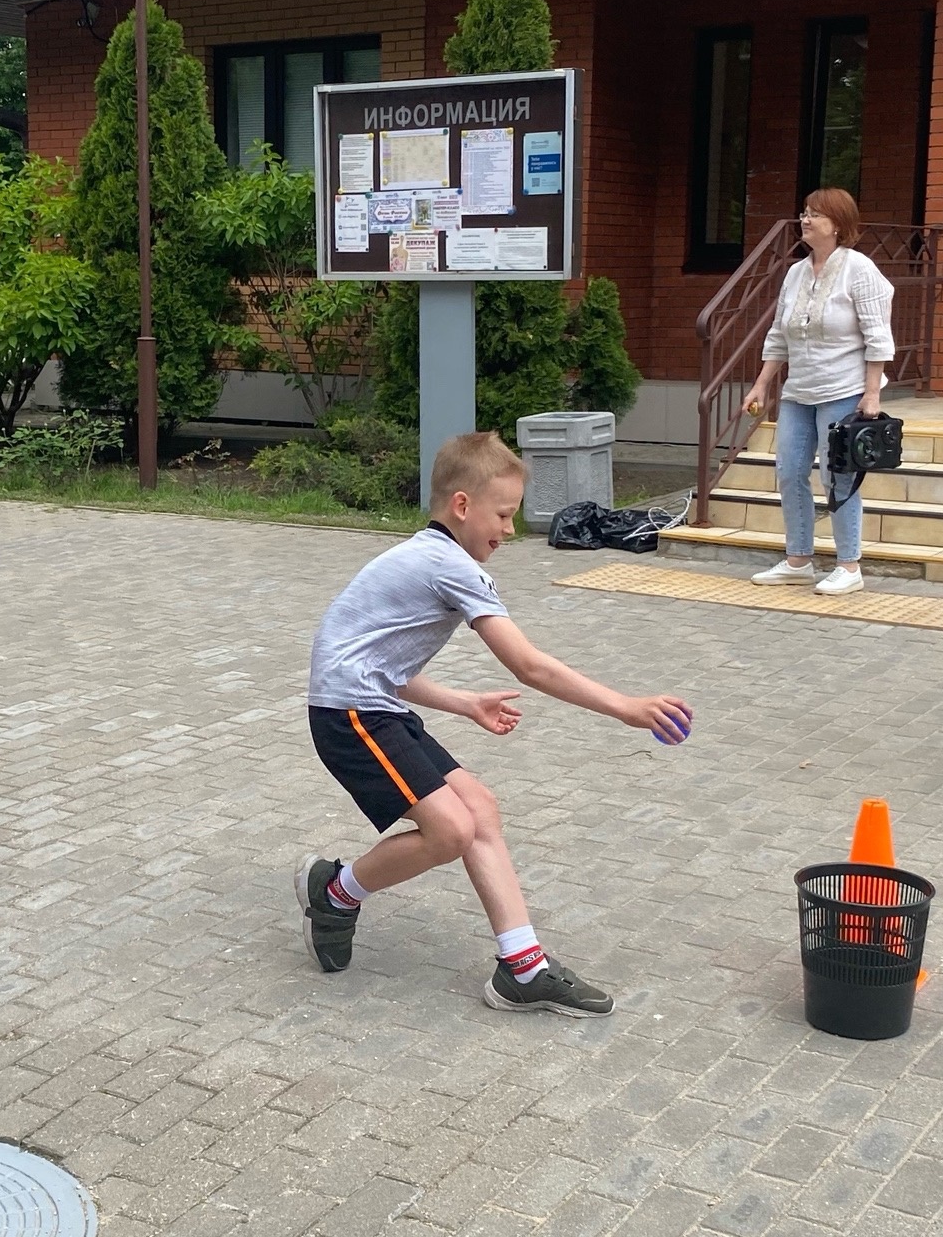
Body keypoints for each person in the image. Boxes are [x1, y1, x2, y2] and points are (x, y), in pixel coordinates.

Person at [297, 430, 694, 1015]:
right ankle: (335, 892)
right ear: (463, 505)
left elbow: (378, 665)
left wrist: (462, 702)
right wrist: (627, 707)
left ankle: (523, 967)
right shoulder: (451, 566)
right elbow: (531, 665)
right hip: (349, 716)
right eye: (504, 514)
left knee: (479, 808)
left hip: (371, 705)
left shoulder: (425, 555)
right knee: (450, 831)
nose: (511, 529)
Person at [740, 187, 895, 598]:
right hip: (798, 391)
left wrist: (871, 394)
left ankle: (849, 565)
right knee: (789, 471)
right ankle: (798, 560)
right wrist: (761, 383)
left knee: (837, 476)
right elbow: (779, 334)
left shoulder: (859, 270)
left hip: (844, 390)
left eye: (815, 215)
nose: (805, 220)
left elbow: (878, 336)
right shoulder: (795, 272)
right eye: (804, 213)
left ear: (839, 224)